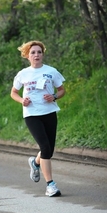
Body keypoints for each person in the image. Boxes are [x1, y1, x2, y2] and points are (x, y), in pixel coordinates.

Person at [10, 40, 65, 197]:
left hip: (49, 112)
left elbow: (61, 90)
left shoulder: (51, 71)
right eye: (33, 52)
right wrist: (22, 100)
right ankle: (50, 185)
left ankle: (35, 163)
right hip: (32, 114)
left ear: (42, 54)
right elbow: (13, 92)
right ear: (27, 55)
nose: (36, 55)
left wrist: (54, 96)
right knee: (46, 148)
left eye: (39, 52)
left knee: (49, 149)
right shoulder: (23, 74)